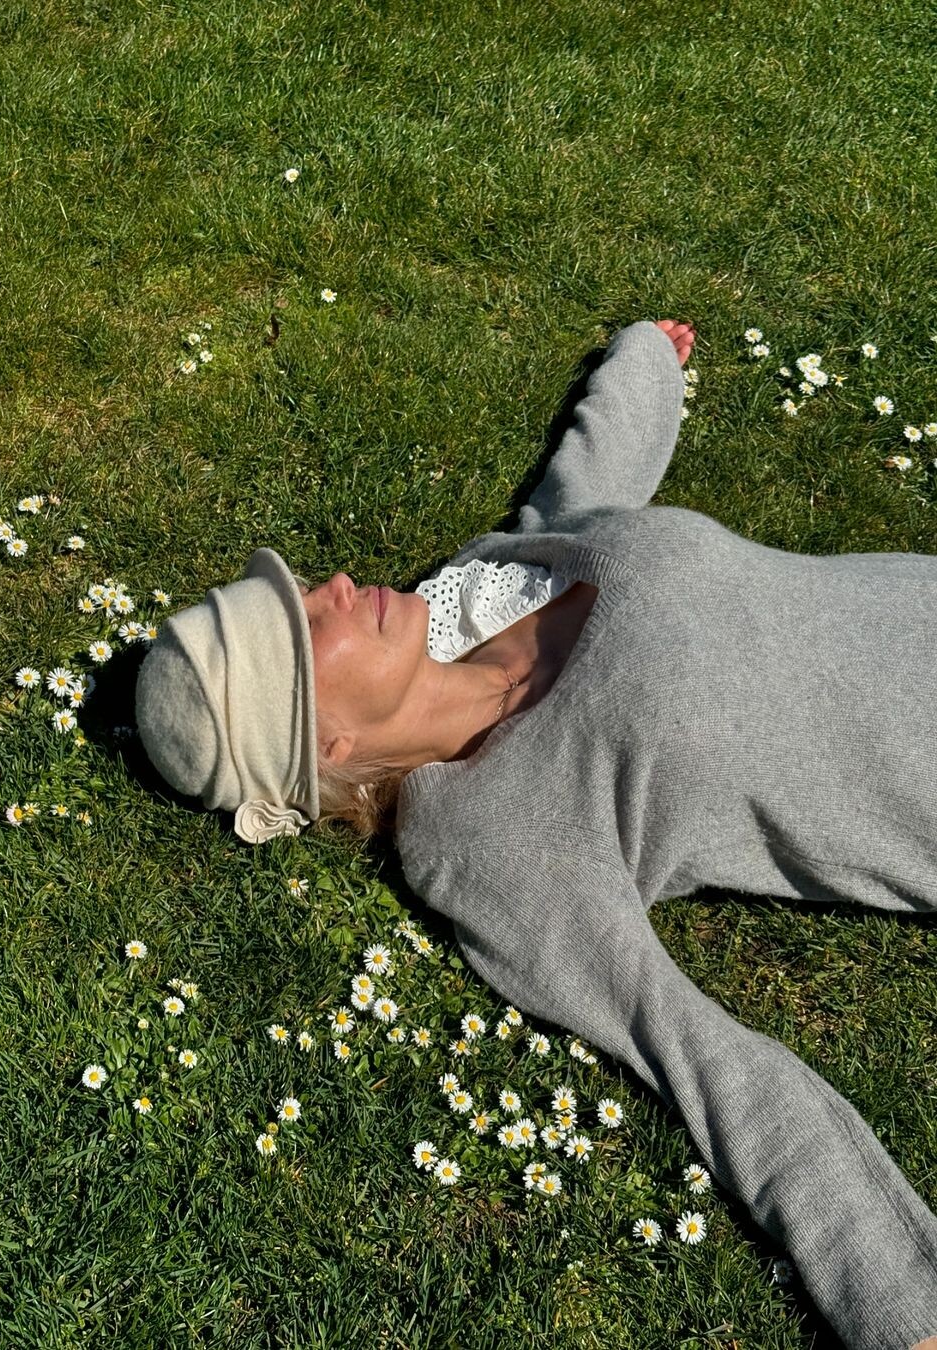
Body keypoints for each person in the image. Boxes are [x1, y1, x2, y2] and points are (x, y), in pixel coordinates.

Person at [133, 319, 937, 1350]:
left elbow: (588, 489)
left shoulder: (473, 591)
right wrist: (901, 1306)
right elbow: (694, 1051)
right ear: (324, 737)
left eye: (302, 587)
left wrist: (645, 362)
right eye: (306, 622)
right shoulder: (488, 842)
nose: (330, 586)